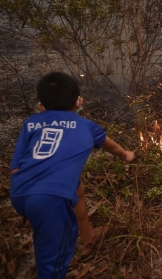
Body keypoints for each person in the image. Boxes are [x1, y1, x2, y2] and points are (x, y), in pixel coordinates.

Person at [10, 72, 134, 278]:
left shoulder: (31, 123)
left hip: (21, 190)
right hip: (51, 200)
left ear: (41, 105)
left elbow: (16, 166)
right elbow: (111, 146)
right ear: (78, 102)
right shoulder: (86, 126)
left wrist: (29, 204)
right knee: (54, 259)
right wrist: (127, 155)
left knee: (76, 186)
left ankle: (89, 235)